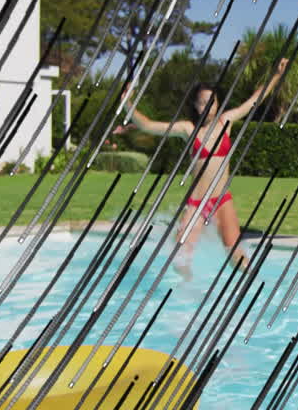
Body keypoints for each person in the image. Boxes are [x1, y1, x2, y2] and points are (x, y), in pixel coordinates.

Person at [120, 60, 287, 280]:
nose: (207, 107)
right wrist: (127, 103)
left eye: (212, 102)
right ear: (195, 106)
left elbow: (253, 101)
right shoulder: (188, 129)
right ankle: (190, 298)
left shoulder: (226, 122)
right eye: (202, 103)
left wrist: (275, 75)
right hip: (196, 204)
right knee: (180, 259)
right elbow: (149, 125)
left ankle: (254, 289)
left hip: (221, 201)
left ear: (218, 103)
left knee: (237, 257)